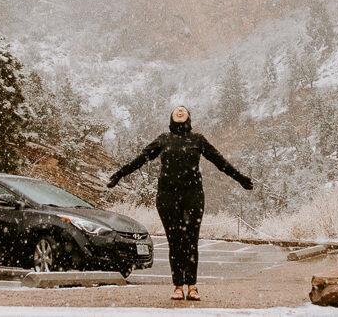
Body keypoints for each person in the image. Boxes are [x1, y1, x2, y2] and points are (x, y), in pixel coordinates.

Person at [107, 105, 253, 301]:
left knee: (191, 241)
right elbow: (140, 159)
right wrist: (119, 174)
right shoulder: (163, 139)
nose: (180, 110)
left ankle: (192, 287)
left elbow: (220, 162)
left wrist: (240, 178)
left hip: (193, 195)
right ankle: (177, 286)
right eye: (177, 109)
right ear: (172, 117)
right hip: (167, 197)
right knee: (175, 242)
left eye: (183, 109)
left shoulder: (197, 139)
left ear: (188, 117)